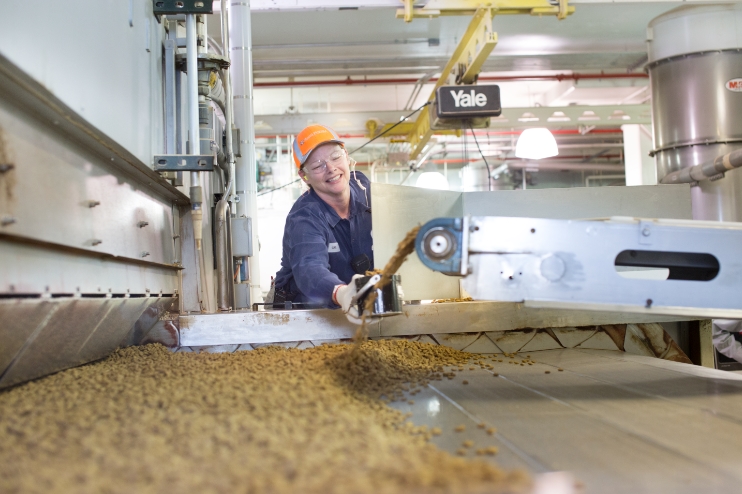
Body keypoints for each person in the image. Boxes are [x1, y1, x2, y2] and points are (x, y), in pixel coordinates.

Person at [269, 124, 372, 320]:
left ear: (346, 156)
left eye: (335, 157)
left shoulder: (367, 192)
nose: (331, 169)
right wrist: (342, 293)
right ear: (304, 176)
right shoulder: (304, 217)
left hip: (361, 310)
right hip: (304, 316)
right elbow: (310, 269)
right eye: (317, 166)